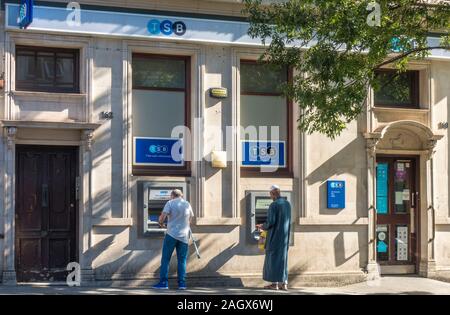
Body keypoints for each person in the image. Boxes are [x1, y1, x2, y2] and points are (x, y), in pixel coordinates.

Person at [152, 189, 194, 290]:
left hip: (171, 235)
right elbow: (191, 218)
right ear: (181, 195)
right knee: (182, 260)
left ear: (172, 195)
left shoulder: (170, 203)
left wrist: (161, 223)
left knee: (166, 259)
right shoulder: (187, 204)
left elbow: (162, 217)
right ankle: (182, 284)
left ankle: (163, 283)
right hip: (184, 236)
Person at [256, 185, 291, 291]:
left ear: (272, 194)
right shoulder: (287, 204)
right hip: (284, 237)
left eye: (270, 194)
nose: (270, 196)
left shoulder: (274, 205)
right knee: (283, 260)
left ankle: (275, 284)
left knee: (273, 259)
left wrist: (262, 226)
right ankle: (284, 284)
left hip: (274, 237)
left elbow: (270, 222)